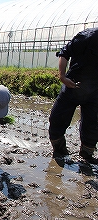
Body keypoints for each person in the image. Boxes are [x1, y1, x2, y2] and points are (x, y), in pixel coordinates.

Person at [49, 27, 98, 164]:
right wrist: (62, 76)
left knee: (93, 123)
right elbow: (64, 54)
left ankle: (87, 154)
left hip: (95, 89)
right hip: (74, 85)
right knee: (57, 118)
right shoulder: (87, 36)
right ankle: (59, 149)